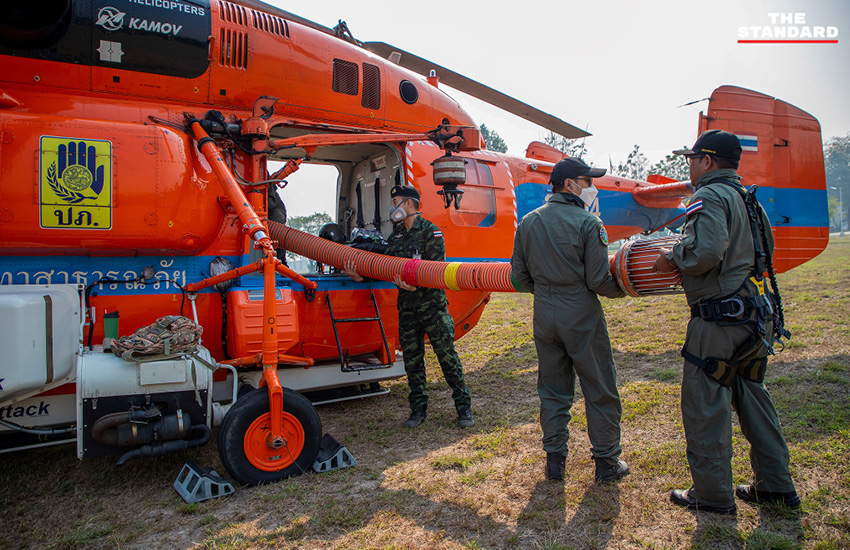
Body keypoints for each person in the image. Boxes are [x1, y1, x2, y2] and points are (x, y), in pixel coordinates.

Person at [652, 129, 800, 514]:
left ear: (707, 161)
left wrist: (671, 257)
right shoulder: (748, 198)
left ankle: (713, 495)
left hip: (720, 321)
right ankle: (776, 487)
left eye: (692, 158)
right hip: (756, 317)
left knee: (705, 405)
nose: (688, 165)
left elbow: (706, 251)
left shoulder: (709, 195)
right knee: (753, 398)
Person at [511, 157, 629, 483]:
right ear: (569, 185)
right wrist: (623, 288)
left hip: (544, 313)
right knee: (599, 387)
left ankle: (555, 463)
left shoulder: (528, 222)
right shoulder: (589, 223)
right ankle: (606, 463)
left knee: (552, 390)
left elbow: (519, 276)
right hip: (580, 313)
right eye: (586, 180)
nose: (591, 187)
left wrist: (548, 290)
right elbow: (598, 280)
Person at [345, 185, 473, 429]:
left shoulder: (430, 232)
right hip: (407, 308)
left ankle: (464, 408)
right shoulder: (396, 237)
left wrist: (416, 288)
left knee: (446, 357)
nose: (393, 207)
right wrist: (362, 277)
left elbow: (435, 270)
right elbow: (386, 269)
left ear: (410, 204)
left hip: (432, 307)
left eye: (396, 201)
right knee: (413, 361)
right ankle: (418, 411)